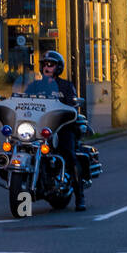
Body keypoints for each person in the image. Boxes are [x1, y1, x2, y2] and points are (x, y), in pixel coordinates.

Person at [25, 51, 86, 210]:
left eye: (50, 64)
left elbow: (72, 105)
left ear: (58, 67)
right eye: (44, 64)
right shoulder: (34, 86)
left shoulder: (65, 86)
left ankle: (80, 196)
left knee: (69, 153)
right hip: (38, 128)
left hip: (61, 128)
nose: (47, 67)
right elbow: (23, 102)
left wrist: (70, 107)